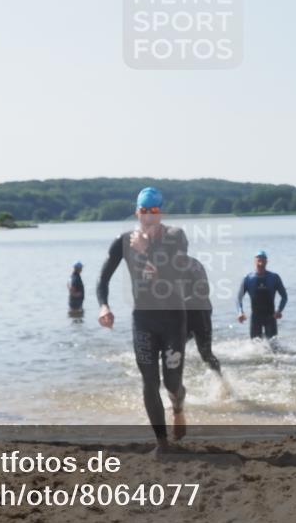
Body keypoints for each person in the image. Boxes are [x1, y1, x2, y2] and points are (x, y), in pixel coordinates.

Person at [96, 187, 190, 453]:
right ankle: (162, 443)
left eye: (154, 211)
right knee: (149, 380)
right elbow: (103, 278)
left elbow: (174, 274)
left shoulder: (175, 237)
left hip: (173, 318)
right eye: (144, 210)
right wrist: (104, 305)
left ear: (161, 212)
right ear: (137, 211)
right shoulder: (123, 241)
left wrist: (147, 250)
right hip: (144, 320)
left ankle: (179, 407)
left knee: (172, 382)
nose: (148, 216)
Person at [184, 256, 228, 386]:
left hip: (200, 313)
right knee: (170, 352)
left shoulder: (194, 265)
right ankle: (174, 392)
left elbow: (203, 292)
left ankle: (223, 385)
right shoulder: (167, 265)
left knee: (206, 354)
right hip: (182, 316)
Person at [236, 251, 288, 342]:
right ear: (255, 261)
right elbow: (238, 297)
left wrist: (279, 310)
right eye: (258, 260)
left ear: (266, 262)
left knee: (274, 346)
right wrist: (240, 312)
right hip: (255, 317)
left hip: (271, 316)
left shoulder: (274, 277)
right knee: (254, 346)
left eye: (263, 260)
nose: (260, 263)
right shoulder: (248, 278)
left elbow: (284, 296)